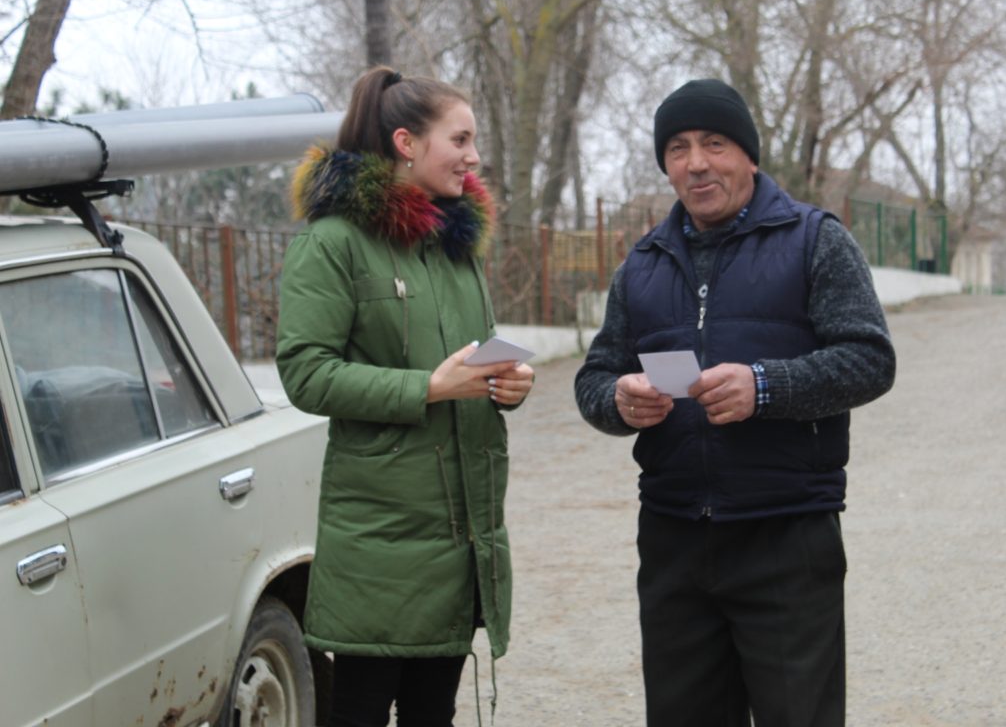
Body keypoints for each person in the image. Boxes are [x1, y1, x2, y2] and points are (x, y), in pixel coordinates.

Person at [574, 78, 896, 727]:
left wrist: (765, 386)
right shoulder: (642, 264)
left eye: (714, 144)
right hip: (673, 543)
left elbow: (870, 360)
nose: (696, 163)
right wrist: (619, 399)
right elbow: (594, 378)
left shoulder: (815, 240)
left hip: (785, 536)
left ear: (748, 155)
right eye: (678, 149)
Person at [275, 67, 534, 727]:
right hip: (381, 541)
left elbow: (478, 353)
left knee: (433, 713)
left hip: (461, 536)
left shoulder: (455, 247)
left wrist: (508, 384)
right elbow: (305, 373)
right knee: (359, 712)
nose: (474, 156)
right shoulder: (332, 243)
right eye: (461, 138)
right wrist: (427, 388)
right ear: (406, 143)